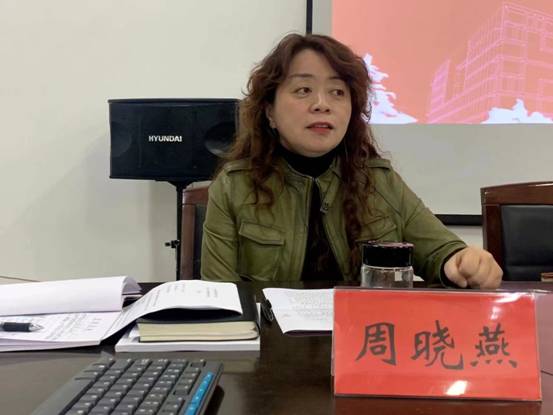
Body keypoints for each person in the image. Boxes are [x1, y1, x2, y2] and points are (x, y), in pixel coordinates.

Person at [200, 33, 502, 289]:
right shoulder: (234, 187)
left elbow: (441, 251)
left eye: (337, 92)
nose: (322, 104)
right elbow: (220, 300)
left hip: (365, 337)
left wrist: (463, 261)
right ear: (270, 112)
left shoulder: (379, 181)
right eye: (304, 90)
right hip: (271, 339)